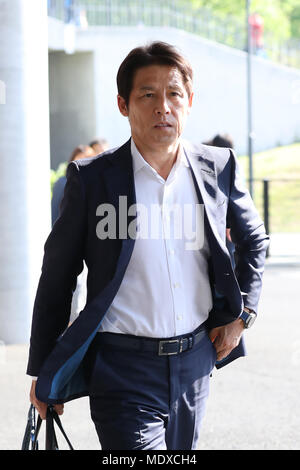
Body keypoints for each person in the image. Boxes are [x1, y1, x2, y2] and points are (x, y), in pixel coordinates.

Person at [27, 41, 269, 450]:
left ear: (189, 101)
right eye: (148, 95)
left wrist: (243, 314)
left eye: (174, 93)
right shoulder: (92, 180)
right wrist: (44, 369)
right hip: (121, 368)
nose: (163, 107)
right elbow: (58, 275)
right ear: (123, 104)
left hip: (195, 362)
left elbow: (254, 241)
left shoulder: (218, 168)